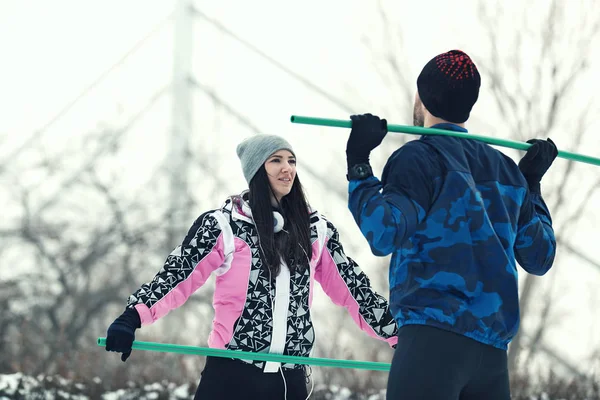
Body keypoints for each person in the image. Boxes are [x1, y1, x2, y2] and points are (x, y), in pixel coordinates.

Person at [105, 134, 398, 400]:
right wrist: (132, 316)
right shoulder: (224, 226)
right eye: (276, 160)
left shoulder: (315, 231)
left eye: (291, 161)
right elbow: (178, 274)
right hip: (231, 377)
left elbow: (354, 288)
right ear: (257, 170)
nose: (288, 168)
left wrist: (398, 334)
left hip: (288, 380)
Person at [344, 50, 557, 399]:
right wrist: (530, 185)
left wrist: (358, 164)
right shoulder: (505, 170)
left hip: (431, 344)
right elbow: (540, 255)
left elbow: (383, 232)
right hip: (490, 359)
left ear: (422, 98)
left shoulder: (419, 157)